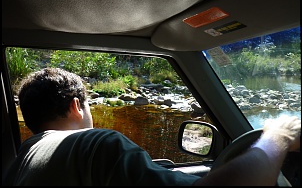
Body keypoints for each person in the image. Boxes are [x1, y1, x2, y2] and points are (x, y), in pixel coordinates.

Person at [2, 67, 300, 186]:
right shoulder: (95, 145)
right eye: (89, 105)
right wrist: (280, 135)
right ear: (76, 106)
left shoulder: (21, 162)